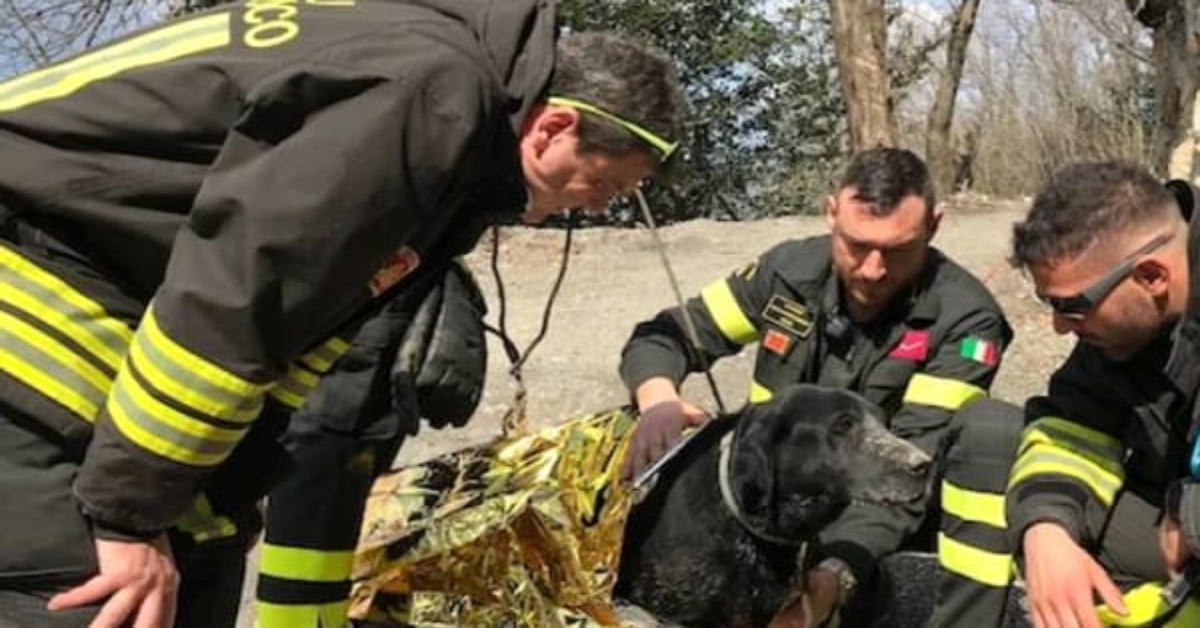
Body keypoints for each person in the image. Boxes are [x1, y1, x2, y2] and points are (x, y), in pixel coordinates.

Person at [0, 0, 684, 626]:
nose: (597, 207)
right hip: (33, 270)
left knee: (202, 564)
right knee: (97, 596)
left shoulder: (459, 146)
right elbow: (239, 301)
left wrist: (226, 495)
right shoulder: (430, 95)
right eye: (605, 183)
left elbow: (303, 341)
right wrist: (128, 519)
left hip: (101, 278)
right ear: (554, 127)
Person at [617, 147, 1016, 628]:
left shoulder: (964, 320)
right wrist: (657, 400)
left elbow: (911, 473)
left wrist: (833, 579)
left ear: (934, 225)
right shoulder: (788, 272)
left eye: (896, 250)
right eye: (856, 245)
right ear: (831, 213)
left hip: (879, 515)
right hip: (769, 504)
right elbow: (668, 335)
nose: (872, 269)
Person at [1004, 161, 1200, 628]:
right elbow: (1073, 425)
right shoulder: (1124, 325)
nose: (1057, 327)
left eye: (1071, 307)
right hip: (1172, 524)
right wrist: (1046, 530)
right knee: (991, 441)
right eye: (1049, 304)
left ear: (1152, 276)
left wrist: (1191, 517)